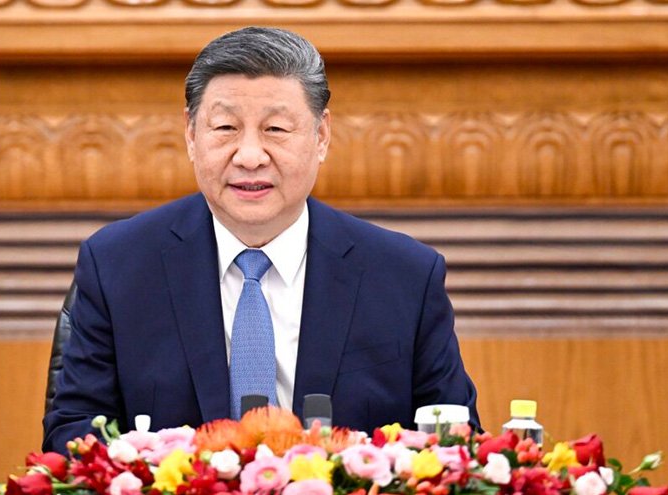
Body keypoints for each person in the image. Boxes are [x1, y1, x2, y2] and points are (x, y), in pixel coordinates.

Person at [42, 26, 479, 453]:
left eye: (276, 129)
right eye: (225, 128)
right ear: (191, 135)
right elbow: (73, 439)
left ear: (321, 136)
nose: (250, 156)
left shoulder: (405, 275)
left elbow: (456, 447)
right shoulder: (117, 265)